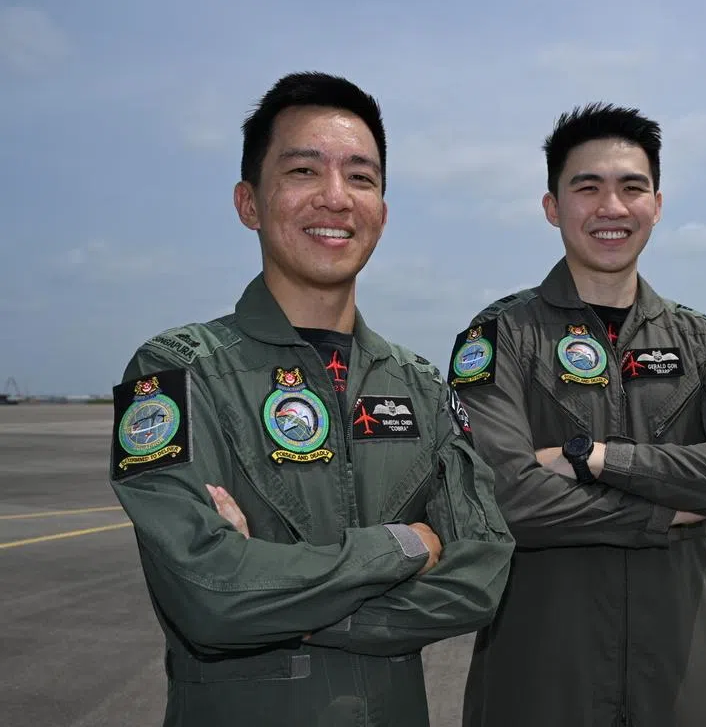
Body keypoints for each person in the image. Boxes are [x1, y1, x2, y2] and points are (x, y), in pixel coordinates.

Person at [107, 71, 514, 727]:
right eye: (302, 171)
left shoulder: (421, 387)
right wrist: (405, 547)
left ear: (382, 209)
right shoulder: (172, 373)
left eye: (361, 177)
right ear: (249, 202)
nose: (335, 198)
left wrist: (283, 604)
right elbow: (209, 597)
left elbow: (482, 575)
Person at [448, 103, 706, 727]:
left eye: (632, 188)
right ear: (553, 207)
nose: (612, 207)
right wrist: (672, 506)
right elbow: (506, 499)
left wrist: (596, 459)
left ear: (657, 204)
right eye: (588, 187)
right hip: (539, 686)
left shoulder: (703, 342)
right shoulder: (501, 338)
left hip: (675, 688)